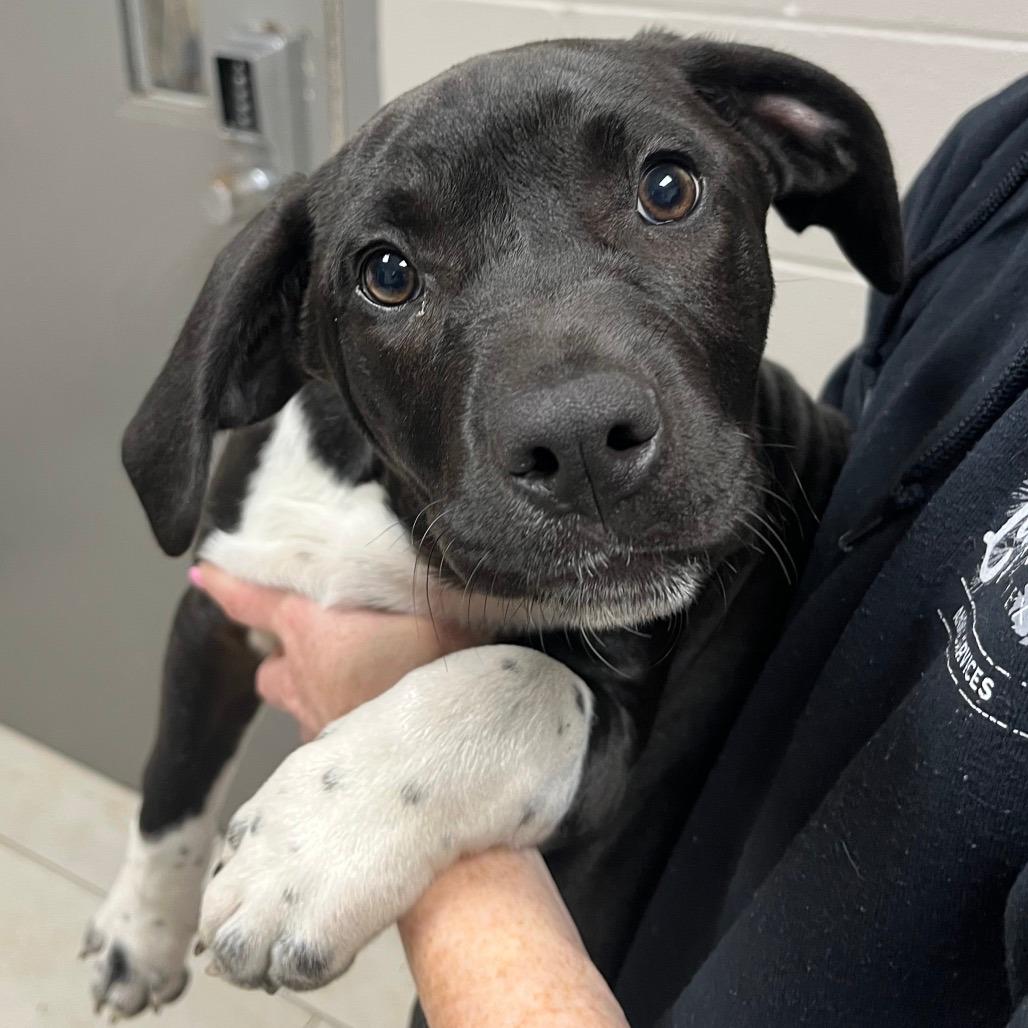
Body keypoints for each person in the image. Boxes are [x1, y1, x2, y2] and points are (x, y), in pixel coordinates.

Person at [193, 73, 1028, 1027]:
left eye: (666, 194)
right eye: (391, 275)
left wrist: (415, 788)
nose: (576, 417)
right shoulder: (1000, 156)